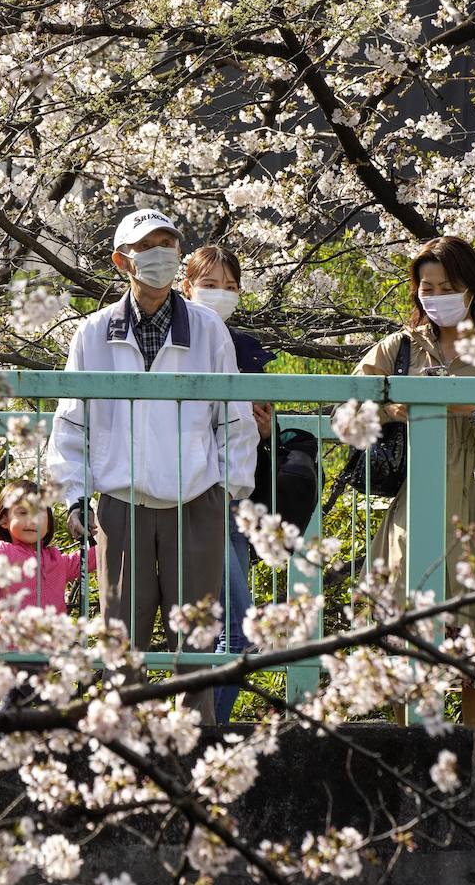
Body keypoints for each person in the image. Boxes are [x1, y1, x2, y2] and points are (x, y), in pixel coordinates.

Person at [45, 208, 258, 720]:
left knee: (198, 637)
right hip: (122, 502)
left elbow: (232, 416)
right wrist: (74, 494)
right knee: (122, 634)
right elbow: (73, 419)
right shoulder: (93, 332)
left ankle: (196, 737)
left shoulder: (207, 328)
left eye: (169, 244)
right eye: (148, 246)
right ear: (123, 260)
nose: (161, 255)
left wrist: (231, 488)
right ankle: (124, 739)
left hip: (197, 498)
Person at [353, 235, 475, 729]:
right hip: (415, 512)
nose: (434, 296)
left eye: (446, 286)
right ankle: (409, 752)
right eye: (425, 286)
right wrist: (395, 410)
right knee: (404, 637)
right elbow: (346, 410)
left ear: (471, 289)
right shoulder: (399, 349)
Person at [182, 245, 274, 723]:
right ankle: (198, 735)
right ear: (188, 288)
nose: (221, 295)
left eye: (231, 287)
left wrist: (262, 428)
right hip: (197, 497)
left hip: (236, 497)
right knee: (237, 630)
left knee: (230, 631)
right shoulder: (175, 344)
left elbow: (252, 426)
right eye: (210, 285)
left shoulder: (245, 349)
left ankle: (194, 731)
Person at [0, 479, 95, 615]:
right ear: (3, 521)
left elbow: (91, 558)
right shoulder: (2, 553)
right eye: (23, 512)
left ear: (49, 524)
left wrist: (106, 537)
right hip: (10, 642)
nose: (32, 520)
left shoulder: (56, 560)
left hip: (51, 641)